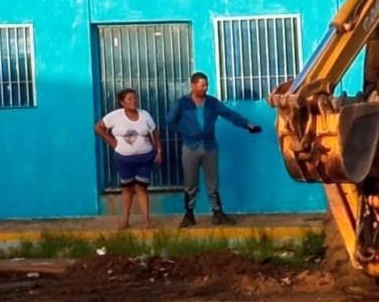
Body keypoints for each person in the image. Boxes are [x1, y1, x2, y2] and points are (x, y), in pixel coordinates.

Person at [166, 72, 262, 228]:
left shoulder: (212, 103)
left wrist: (248, 124)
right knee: (191, 183)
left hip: (210, 147)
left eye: (206, 85)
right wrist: (186, 132)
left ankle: (218, 213)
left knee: (213, 182)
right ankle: (189, 214)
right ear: (193, 85)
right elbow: (170, 121)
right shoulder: (181, 104)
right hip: (190, 148)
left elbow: (229, 114)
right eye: (202, 85)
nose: (205, 88)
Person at [94, 88, 161, 229]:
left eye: (135, 98)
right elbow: (98, 127)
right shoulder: (115, 116)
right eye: (130, 99)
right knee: (127, 189)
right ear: (122, 102)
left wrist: (159, 151)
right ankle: (125, 220)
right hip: (124, 160)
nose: (134, 101)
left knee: (142, 188)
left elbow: (154, 133)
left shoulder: (145, 115)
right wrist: (111, 141)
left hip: (145, 158)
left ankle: (147, 220)